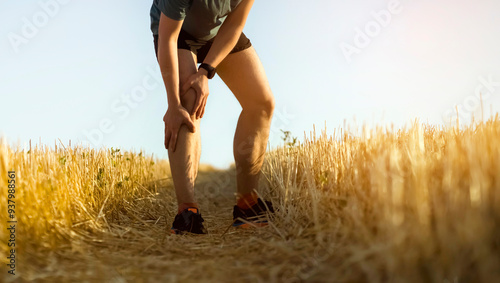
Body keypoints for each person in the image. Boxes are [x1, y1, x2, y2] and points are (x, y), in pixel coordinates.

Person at [150, 0, 275, 234]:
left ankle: (247, 206)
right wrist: (173, 104)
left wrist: (206, 70)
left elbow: (235, 24)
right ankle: (187, 212)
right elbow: (167, 37)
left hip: (218, 31)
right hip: (178, 34)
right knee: (189, 101)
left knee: (261, 103)